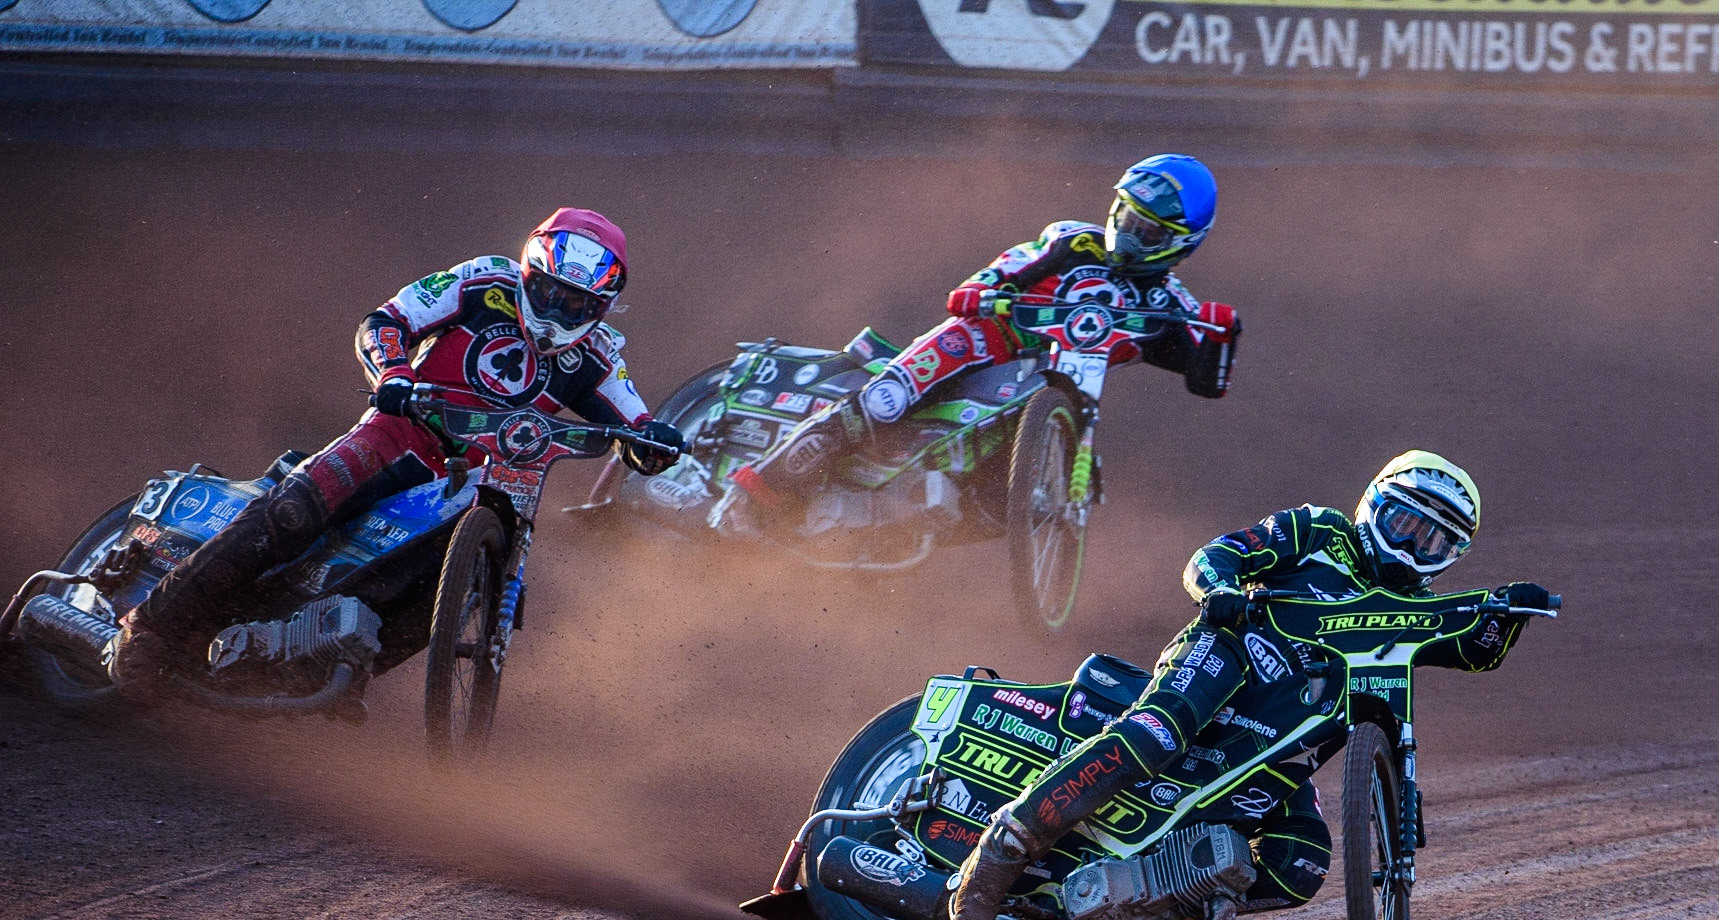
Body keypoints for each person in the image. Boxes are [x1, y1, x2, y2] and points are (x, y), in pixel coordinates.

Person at [946, 450, 1555, 920]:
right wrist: (1220, 589)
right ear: (1374, 505)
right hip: (1231, 655)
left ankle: (1147, 904)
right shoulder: (1319, 530)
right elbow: (1216, 555)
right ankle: (1003, 847)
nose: (1411, 548)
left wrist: (1511, 614)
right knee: (1157, 732)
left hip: (1281, 743)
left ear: (1451, 558)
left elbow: (1475, 651)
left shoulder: (1416, 612)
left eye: (1433, 543)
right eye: (1405, 525)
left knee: (1301, 863)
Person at [106, 207, 683, 685]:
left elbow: (637, 422)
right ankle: (149, 628)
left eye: (576, 304)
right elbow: (385, 321)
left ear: (602, 306)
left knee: (459, 587)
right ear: (529, 273)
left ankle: (330, 666)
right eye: (549, 292)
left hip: (480, 479)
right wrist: (394, 373)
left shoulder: (598, 355)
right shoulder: (482, 279)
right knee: (294, 509)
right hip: (401, 433)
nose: (558, 312)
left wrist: (654, 445)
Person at [713, 154, 1241, 532]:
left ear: (1180, 243)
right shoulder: (1073, 241)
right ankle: (757, 486)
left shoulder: (1172, 306)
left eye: (1147, 232)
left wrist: (1222, 332)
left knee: (1004, 506)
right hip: (988, 338)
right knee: (886, 400)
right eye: (1125, 218)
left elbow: (1208, 380)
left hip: (1046, 390)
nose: (1127, 235)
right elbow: (1000, 272)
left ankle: (885, 522)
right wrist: (984, 292)